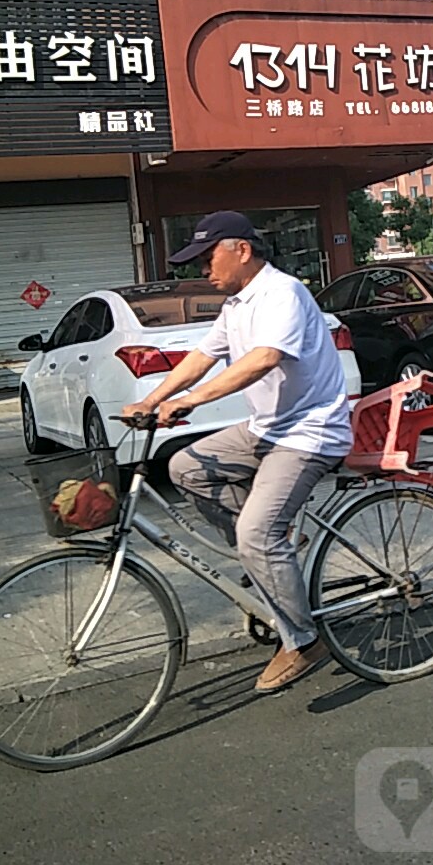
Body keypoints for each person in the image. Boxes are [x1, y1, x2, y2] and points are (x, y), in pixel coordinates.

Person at [123, 210, 353, 693]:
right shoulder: (236, 306)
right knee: (185, 466)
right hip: (267, 427)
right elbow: (201, 358)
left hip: (309, 433)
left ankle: (303, 639)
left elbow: (264, 358)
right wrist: (152, 399)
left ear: (241, 250)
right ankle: (270, 552)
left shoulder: (282, 294)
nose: (204, 270)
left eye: (209, 258)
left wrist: (190, 401)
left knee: (255, 532)